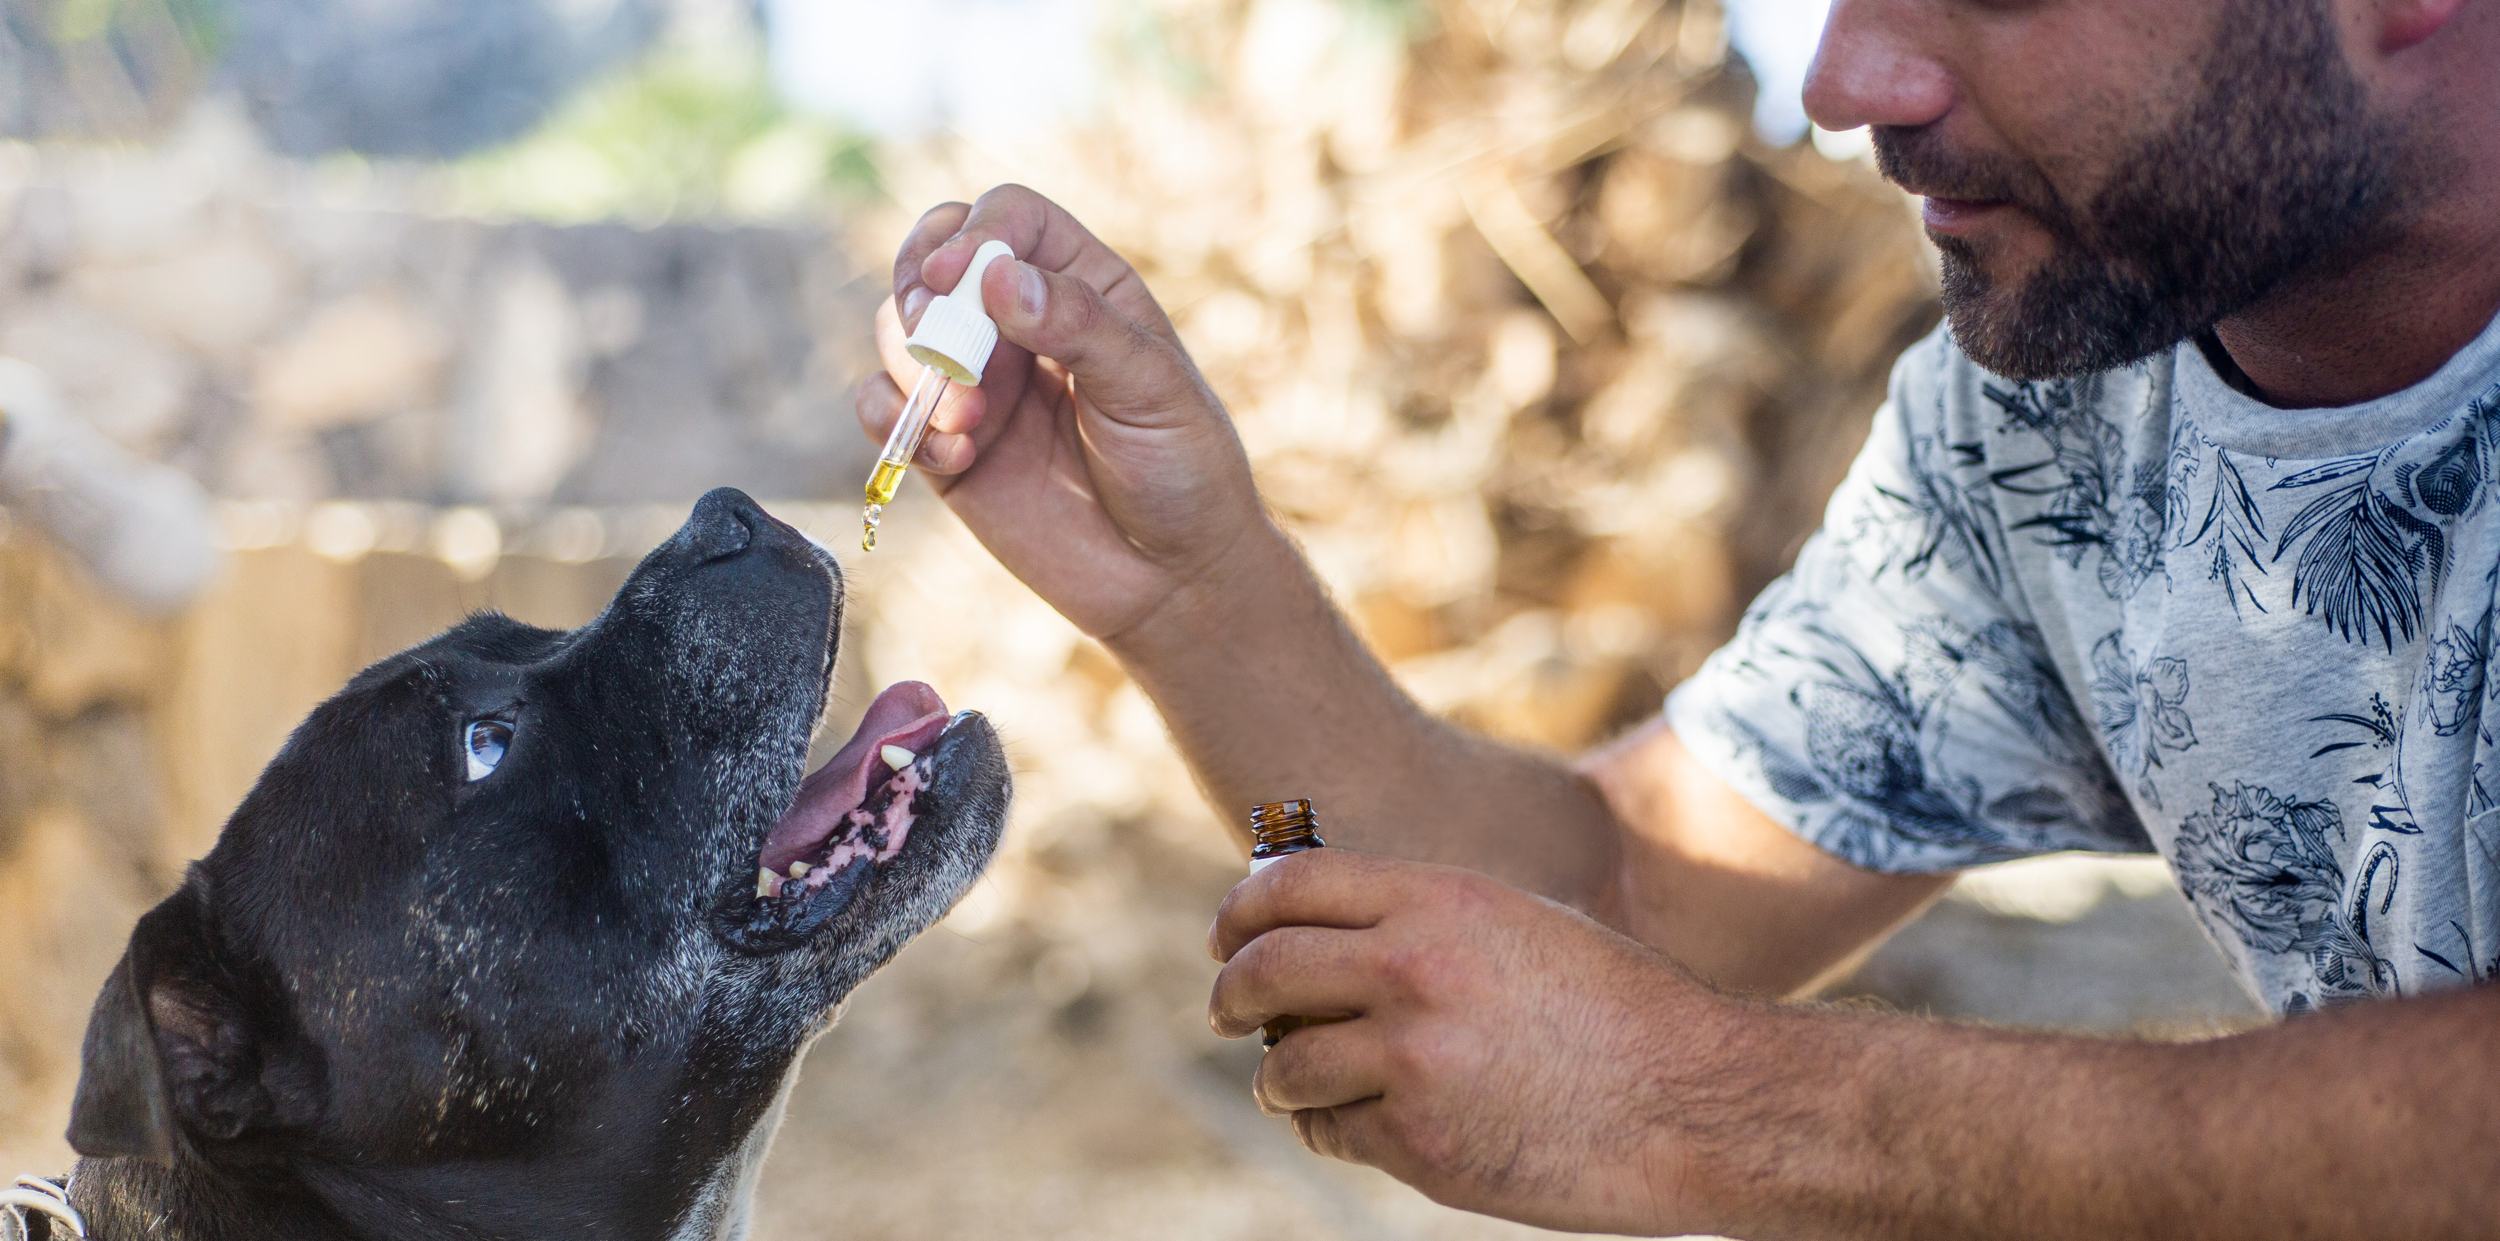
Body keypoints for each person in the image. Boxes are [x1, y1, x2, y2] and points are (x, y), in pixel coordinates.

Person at [854, 0, 2500, 1233]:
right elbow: (1621, 891)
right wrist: (1190, 587)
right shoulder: (2048, 427)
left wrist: (1715, 1107)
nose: (1848, 79)